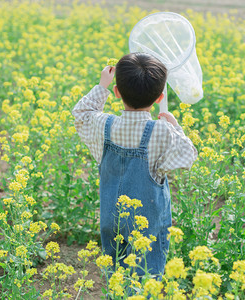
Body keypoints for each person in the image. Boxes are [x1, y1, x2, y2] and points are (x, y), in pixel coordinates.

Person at [72, 52, 198, 279]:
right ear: (160, 97)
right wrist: (175, 127)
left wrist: (103, 85)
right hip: (147, 226)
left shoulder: (104, 125)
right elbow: (188, 155)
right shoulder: (161, 131)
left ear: (117, 92)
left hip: (112, 219)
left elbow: (82, 114)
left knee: (115, 271)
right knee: (145, 276)